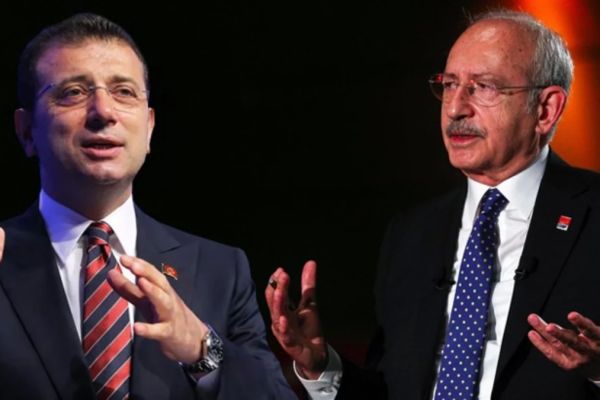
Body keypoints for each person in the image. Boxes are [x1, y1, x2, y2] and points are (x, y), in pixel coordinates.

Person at [266, 9, 600, 400]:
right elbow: (392, 388)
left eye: (483, 87)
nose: (455, 108)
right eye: (449, 84)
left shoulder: (593, 215)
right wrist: (322, 367)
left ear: (545, 109)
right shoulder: (412, 234)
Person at [0, 13, 296, 400]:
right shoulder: (4, 257)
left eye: (124, 92)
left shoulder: (221, 271)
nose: (104, 112)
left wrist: (201, 349)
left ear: (150, 127)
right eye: (73, 92)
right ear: (26, 130)